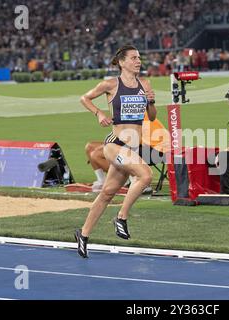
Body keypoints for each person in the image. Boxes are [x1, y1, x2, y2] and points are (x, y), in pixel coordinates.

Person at [75, 45, 157, 258]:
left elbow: (153, 116)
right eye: (133, 58)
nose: (138, 61)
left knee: (107, 193)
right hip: (115, 144)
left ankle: (82, 235)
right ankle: (121, 217)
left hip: (132, 146)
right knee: (146, 175)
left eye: (139, 58)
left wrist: (151, 101)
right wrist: (99, 114)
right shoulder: (111, 84)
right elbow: (84, 98)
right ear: (122, 62)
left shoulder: (144, 84)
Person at [85, 113, 170, 193]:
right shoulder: (131, 113)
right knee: (91, 147)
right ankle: (102, 181)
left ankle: (135, 180)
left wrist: (105, 151)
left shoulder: (132, 116)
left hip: (155, 151)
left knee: (96, 155)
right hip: (148, 147)